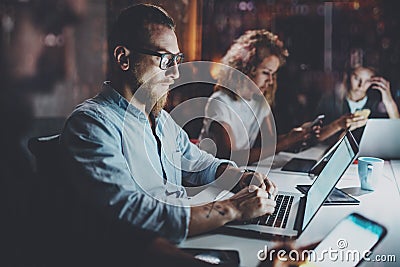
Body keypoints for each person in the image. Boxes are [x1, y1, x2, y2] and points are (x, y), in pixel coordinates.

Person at [61, 3, 277, 248]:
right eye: (165, 59)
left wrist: (240, 177)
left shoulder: (162, 119)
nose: (176, 73)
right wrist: (232, 209)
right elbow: (130, 213)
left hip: (182, 239)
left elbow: (197, 162)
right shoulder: (92, 125)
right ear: (123, 58)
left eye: (177, 59)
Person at [199, 30, 320, 166]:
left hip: (236, 172)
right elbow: (231, 156)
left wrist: (296, 136)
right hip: (209, 179)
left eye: (273, 75)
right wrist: (286, 141)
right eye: (265, 73)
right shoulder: (220, 102)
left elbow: (269, 144)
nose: (270, 81)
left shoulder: (259, 102)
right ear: (246, 69)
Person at [316, 65, 400, 142]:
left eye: (367, 81)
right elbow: (316, 136)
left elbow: (397, 133)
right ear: (348, 76)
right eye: (356, 78)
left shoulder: (375, 103)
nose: (361, 85)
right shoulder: (330, 100)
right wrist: (338, 125)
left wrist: (389, 101)